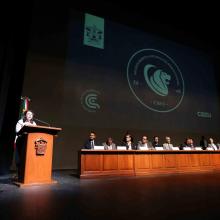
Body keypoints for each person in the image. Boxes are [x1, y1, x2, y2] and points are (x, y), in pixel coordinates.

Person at [15, 110, 36, 179]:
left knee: (29, 159)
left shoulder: (34, 123)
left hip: (30, 143)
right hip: (20, 142)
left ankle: (28, 175)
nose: (30, 115)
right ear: (25, 115)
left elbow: (36, 132)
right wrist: (24, 126)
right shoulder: (20, 122)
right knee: (20, 159)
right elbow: (17, 131)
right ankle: (19, 174)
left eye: (31, 114)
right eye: (28, 114)